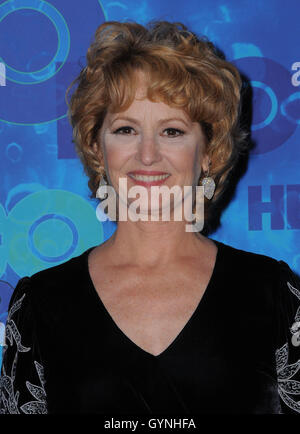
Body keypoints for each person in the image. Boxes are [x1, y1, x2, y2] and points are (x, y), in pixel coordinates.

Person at [1, 20, 300, 415]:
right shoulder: (39, 304)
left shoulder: (275, 294)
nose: (147, 155)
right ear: (96, 147)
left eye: (172, 131)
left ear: (209, 151)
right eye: (126, 129)